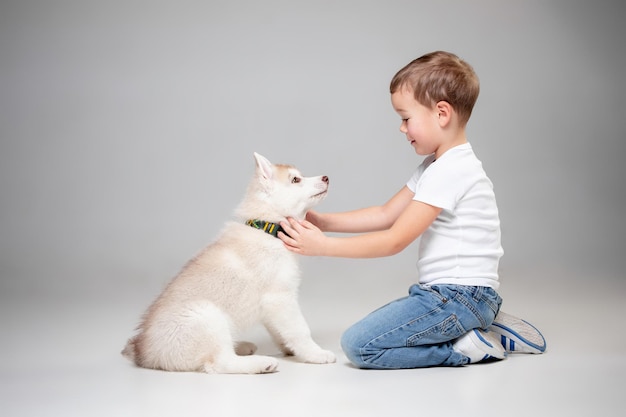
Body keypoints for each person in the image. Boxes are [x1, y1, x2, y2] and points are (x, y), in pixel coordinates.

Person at [278, 51, 546, 369]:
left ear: (441, 114)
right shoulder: (435, 166)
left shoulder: (451, 170)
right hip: (460, 297)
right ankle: (483, 323)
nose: (402, 128)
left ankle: (466, 348)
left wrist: (323, 247)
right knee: (374, 336)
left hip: (457, 298)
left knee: (360, 346)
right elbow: (385, 213)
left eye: (406, 118)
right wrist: (323, 221)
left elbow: (394, 239)